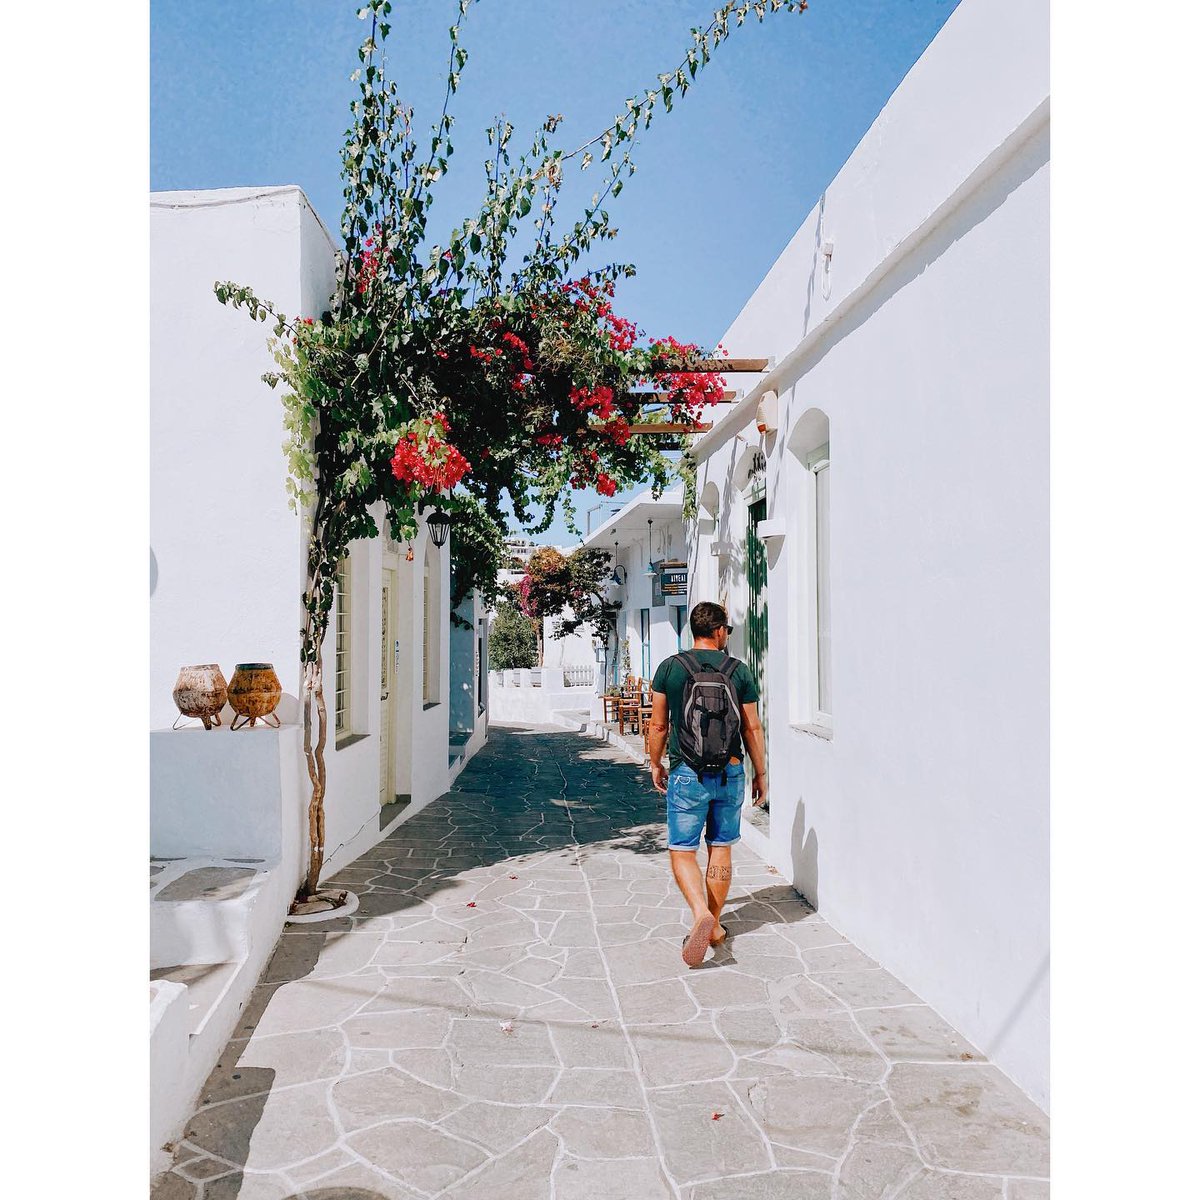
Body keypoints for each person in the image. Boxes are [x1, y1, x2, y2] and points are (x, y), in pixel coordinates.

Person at [647, 600, 768, 967]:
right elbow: (752, 727)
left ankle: (701, 912)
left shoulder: (670, 668)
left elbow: (657, 725)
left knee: (682, 849)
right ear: (718, 631)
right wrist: (760, 773)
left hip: (687, 772)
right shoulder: (739, 671)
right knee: (721, 846)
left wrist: (654, 763)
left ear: (692, 631)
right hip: (730, 772)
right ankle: (714, 925)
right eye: (727, 630)